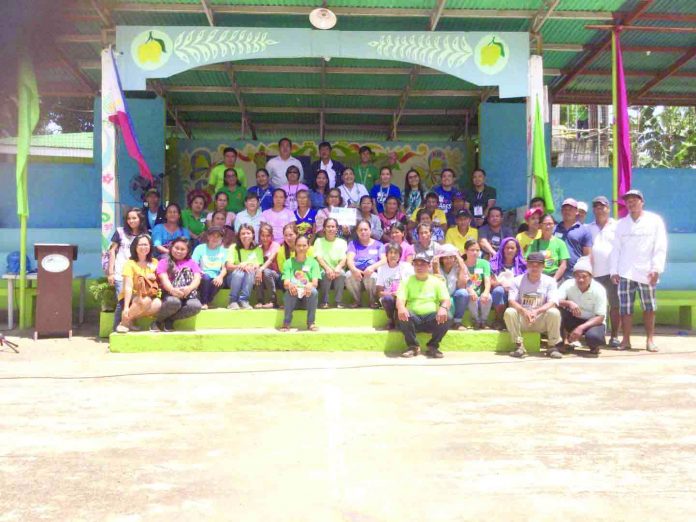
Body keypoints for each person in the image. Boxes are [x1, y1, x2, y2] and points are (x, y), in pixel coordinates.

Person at [609, 189, 668, 352]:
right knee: (625, 308)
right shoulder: (621, 224)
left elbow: (660, 246)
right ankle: (626, 340)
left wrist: (656, 268)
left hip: (646, 272)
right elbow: (616, 249)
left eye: (635, 200)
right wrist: (614, 271)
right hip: (625, 272)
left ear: (642, 201)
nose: (631, 203)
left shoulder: (654, 220)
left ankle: (650, 340)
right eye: (628, 200)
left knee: (649, 307)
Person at [505, 251, 563, 359]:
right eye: (531, 264)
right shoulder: (516, 280)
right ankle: (519, 346)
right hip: (523, 319)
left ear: (543, 266)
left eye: (538, 265)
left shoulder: (550, 281)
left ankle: (552, 346)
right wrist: (524, 311)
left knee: (554, 312)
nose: (534, 267)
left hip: (540, 319)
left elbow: (553, 302)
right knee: (509, 311)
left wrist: (536, 311)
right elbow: (511, 301)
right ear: (527, 265)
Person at [395, 252, 452, 358]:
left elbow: (446, 300)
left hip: (431, 319)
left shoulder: (437, 281)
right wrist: (401, 307)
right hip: (413, 319)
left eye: (423, 264)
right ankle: (413, 347)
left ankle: (433, 346)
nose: (419, 267)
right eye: (416, 264)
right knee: (402, 313)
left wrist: (443, 308)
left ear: (429, 266)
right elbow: (400, 300)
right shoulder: (407, 281)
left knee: (448, 316)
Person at [587, 195, 620, 347]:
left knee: (614, 305)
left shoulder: (617, 226)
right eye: (597, 207)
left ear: (609, 208)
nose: (600, 209)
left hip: (613, 273)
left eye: (603, 206)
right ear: (593, 210)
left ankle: (614, 336)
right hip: (593, 274)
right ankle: (597, 336)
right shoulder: (589, 227)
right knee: (597, 308)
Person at [558, 256, 607, 357]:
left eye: (584, 276)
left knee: (594, 338)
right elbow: (555, 300)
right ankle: (563, 342)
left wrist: (581, 328)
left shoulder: (599, 289)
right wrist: (569, 303)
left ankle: (594, 346)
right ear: (574, 276)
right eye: (577, 276)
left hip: (593, 322)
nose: (581, 280)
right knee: (557, 312)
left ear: (590, 277)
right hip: (574, 318)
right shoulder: (568, 284)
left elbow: (600, 317)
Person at [115, 234, 162, 333]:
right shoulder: (130, 263)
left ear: (150, 246)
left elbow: (159, 280)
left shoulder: (155, 262)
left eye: (146, 245)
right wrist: (126, 307)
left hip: (148, 294)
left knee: (157, 303)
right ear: (135, 247)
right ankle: (124, 323)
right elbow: (128, 287)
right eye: (140, 245)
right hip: (131, 296)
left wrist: (154, 278)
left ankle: (131, 319)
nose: (143, 247)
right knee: (145, 300)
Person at [154, 237, 202, 331]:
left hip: (188, 294)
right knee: (174, 302)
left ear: (187, 251)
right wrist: (172, 290)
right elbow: (164, 279)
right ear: (171, 248)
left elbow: (197, 278)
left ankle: (169, 320)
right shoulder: (164, 262)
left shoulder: (191, 263)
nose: (179, 251)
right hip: (170, 294)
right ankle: (158, 321)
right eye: (176, 248)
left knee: (196, 306)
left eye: (183, 249)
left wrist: (189, 288)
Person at [280, 235, 321, 332]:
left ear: (308, 246)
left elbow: (315, 283)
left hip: (307, 298)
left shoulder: (313, 263)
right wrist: (290, 285)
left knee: (314, 291)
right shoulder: (288, 263)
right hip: (294, 298)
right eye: (299, 245)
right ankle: (286, 323)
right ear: (295, 246)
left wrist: (310, 285)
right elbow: (286, 283)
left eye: (304, 245)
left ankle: (311, 323)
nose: (301, 248)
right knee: (289, 291)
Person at [107, 208, 147, 302]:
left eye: (134, 218)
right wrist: (111, 273)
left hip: (137, 274)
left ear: (140, 219)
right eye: (129, 218)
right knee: (122, 301)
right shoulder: (120, 232)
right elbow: (112, 251)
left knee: (135, 302)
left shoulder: (145, 235)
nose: (131, 221)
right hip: (120, 273)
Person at [346, 220, 386, 308]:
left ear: (370, 231)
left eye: (365, 229)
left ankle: (373, 300)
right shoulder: (353, 244)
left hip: (371, 273)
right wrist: (354, 270)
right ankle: (357, 300)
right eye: (360, 230)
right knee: (348, 274)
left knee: (373, 276)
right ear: (357, 232)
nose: (363, 232)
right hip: (357, 273)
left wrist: (372, 268)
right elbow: (349, 260)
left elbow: (384, 260)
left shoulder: (379, 244)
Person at [489, 237, 527, 330]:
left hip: (516, 292)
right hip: (500, 292)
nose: (509, 250)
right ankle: (499, 319)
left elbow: (526, 282)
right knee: (498, 291)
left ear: (516, 250)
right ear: (502, 249)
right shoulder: (494, 263)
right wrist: (502, 285)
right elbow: (491, 281)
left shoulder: (523, 265)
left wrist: (512, 288)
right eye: (507, 248)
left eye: (512, 248)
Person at [377, 242, 414, 330]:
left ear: (400, 255)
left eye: (396, 253)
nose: (393, 255)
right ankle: (391, 319)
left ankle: (400, 319)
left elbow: (413, 284)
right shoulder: (382, 269)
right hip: (390, 297)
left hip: (404, 297)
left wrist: (402, 293)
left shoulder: (406, 267)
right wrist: (391, 293)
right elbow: (379, 292)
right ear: (386, 255)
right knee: (387, 299)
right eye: (391, 252)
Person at [225, 224, 263, 310]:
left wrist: (247, 265)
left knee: (250, 271)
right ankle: (233, 301)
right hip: (233, 278)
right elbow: (228, 266)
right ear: (239, 235)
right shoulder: (233, 248)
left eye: (248, 233)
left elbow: (258, 265)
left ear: (253, 235)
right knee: (239, 272)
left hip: (249, 277)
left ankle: (244, 300)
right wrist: (240, 266)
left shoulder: (257, 249)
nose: (245, 235)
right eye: (243, 233)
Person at [432, 243, 468, 330]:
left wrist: (462, 267)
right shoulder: (434, 267)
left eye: (451, 257)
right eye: (445, 257)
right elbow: (440, 289)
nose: (449, 260)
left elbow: (461, 286)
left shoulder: (458, 267)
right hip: (439, 298)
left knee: (463, 293)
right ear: (441, 259)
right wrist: (436, 270)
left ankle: (457, 322)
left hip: (453, 297)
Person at [314, 218, 348, 309]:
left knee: (341, 274)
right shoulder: (318, 241)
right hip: (323, 269)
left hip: (337, 268)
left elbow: (344, 257)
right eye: (328, 226)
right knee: (325, 274)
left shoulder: (342, 242)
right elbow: (318, 257)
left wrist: (339, 267)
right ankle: (324, 301)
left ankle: (338, 301)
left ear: (337, 228)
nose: (330, 229)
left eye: (333, 226)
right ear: (324, 228)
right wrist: (327, 268)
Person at [191, 226, 228, 310]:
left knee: (220, 282)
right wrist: (200, 272)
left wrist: (220, 277)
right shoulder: (200, 248)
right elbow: (194, 264)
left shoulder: (224, 251)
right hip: (202, 275)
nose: (215, 238)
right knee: (206, 278)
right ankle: (204, 302)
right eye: (212, 235)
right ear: (208, 236)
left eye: (218, 236)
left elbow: (224, 268)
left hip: (215, 277)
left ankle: (206, 301)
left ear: (221, 238)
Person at [554, 198, 592, 276]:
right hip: (555, 273)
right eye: (565, 209)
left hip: (575, 274)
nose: (567, 212)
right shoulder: (554, 229)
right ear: (561, 211)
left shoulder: (584, 231)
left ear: (576, 212)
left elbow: (587, 255)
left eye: (570, 209)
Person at [527, 213, 570, 281]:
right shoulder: (534, 243)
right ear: (540, 225)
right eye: (545, 224)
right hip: (538, 278)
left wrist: (554, 280)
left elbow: (563, 265)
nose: (548, 226)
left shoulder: (560, 243)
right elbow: (527, 261)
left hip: (555, 277)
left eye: (550, 224)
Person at [461, 239, 493, 329]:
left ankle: (483, 320)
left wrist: (486, 292)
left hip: (481, 292)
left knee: (489, 297)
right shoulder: (462, 264)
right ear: (466, 251)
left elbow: (487, 280)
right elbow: (464, 281)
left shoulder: (484, 263)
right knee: (471, 297)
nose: (475, 252)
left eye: (477, 250)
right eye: (472, 250)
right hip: (468, 291)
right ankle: (476, 320)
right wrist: (470, 291)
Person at [255, 223, 281, 309]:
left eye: (268, 236)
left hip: (276, 276)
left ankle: (273, 301)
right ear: (259, 236)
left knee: (264, 271)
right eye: (262, 235)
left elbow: (270, 260)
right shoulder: (258, 248)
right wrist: (258, 270)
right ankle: (260, 300)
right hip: (263, 277)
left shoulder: (275, 245)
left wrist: (260, 269)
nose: (265, 238)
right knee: (258, 271)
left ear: (272, 236)